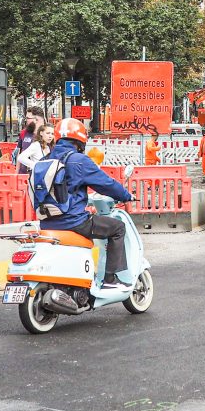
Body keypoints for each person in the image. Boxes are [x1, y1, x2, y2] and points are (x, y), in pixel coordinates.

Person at [39, 118, 134, 290]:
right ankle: (111, 280)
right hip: (74, 222)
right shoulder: (79, 160)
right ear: (80, 141)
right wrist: (126, 195)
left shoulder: (45, 159)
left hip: (47, 222)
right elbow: (106, 184)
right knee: (118, 228)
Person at [13, 107, 45, 174]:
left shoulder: (48, 134)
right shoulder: (24, 133)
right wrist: (17, 172)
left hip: (40, 174)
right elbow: (20, 152)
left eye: (28, 118)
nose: (26, 120)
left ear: (36, 120)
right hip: (23, 175)